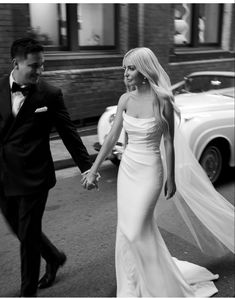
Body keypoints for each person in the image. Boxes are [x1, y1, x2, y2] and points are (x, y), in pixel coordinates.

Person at [82, 47, 234, 297]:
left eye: (131, 68)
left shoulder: (162, 98)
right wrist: (94, 169)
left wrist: (171, 177)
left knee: (135, 229)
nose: (126, 74)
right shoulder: (125, 100)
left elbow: (168, 141)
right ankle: (133, 281)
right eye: (124, 69)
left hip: (150, 170)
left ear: (144, 71)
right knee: (129, 228)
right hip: (128, 171)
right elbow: (111, 138)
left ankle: (158, 287)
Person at [0, 37, 95, 297]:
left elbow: (69, 133)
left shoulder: (50, 95)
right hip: (3, 175)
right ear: (16, 63)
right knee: (19, 229)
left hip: (34, 177)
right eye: (34, 65)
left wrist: (87, 167)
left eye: (43, 65)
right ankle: (53, 257)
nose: (40, 71)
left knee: (28, 238)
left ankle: (27, 292)